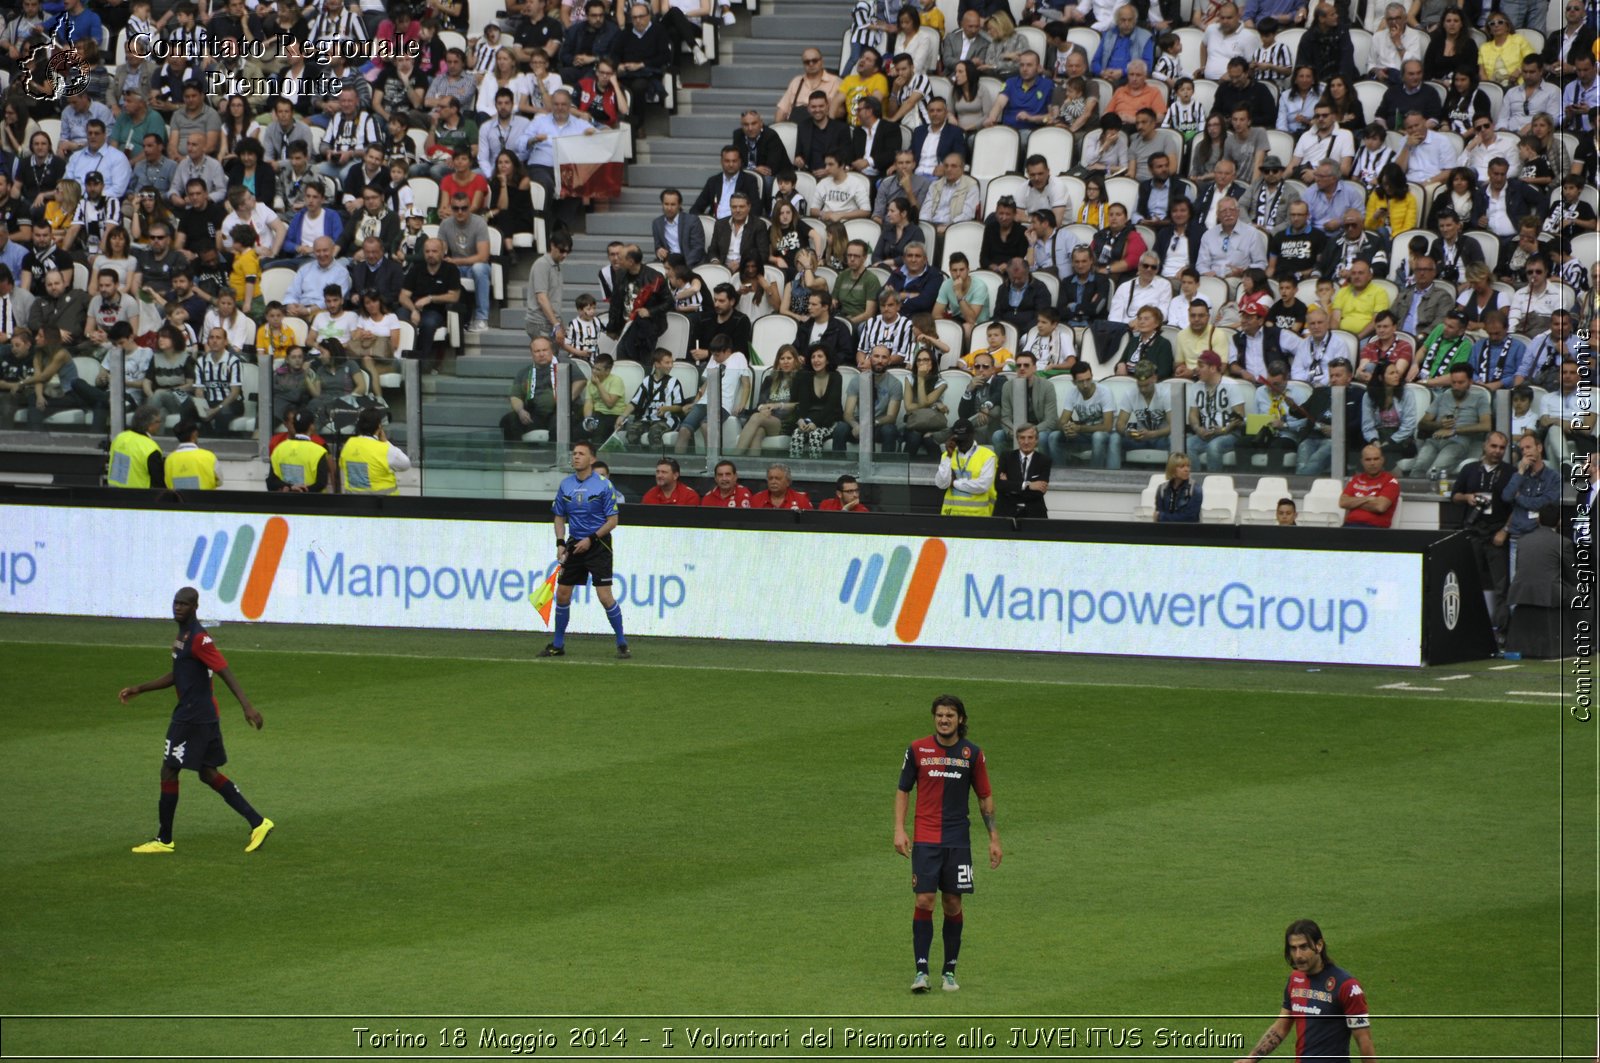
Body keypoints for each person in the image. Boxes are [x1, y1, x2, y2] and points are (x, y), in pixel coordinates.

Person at [118, 586, 274, 855]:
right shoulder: (183, 636)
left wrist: (247, 706)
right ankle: (258, 822)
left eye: (184, 604)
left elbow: (224, 669)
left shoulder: (200, 639)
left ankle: (164, 839)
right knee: (206, 772)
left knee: (169, 770)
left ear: (195, 607)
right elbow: (177, 674)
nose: (178, 607)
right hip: (201, 715)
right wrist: (140, 688)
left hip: (192, 716)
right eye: (175, 603)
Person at [894, 694, 1001, 994]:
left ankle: (949, 972)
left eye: (950, 716)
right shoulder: (917, 749)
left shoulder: (972, 754)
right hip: (926, 839)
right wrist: (899, 829)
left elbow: (984, 797)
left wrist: (994, 838)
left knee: (952, 902)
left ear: (961, 719)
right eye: (940, 715)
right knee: (924, 900)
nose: (944, 720)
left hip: (957, 841)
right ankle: (921, 971)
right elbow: (903, 790)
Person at [1234, 919, 1374, 1063]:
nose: (1298, 955)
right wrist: (1251, 1059)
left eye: (1304, 947)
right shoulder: (1295, 979)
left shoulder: (1347, 986)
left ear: (1319, 945)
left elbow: (1364, 1040)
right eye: (1293, 948)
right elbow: (1281, 1027)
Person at [541, 440, 630, 659]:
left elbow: (613, 521)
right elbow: (559, 516)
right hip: (575, 544)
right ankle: (558, 644)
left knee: (604, 596)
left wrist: (591, 539)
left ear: (591, 459)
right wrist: (560, 542)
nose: (576, 457)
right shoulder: (566, 485)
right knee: (562, 594)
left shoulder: (603, 485)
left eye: (581, 454)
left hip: (598, 545)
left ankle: (622, 643)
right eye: (574, 454)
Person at [1503, 503, 1575, 658]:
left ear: (1538, 520)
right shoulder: (1564, 543)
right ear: (1559, 522)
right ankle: (1582, 640)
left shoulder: (1522, 541)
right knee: (1579, 592)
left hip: (1520, 591)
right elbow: (1572, 574)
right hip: (1549, 593)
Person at [340, 407, 412, 495]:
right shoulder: (384, 449)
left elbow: (342, 465)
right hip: (382, 505)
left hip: (354, 504)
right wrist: (385, 441)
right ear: (379, 426)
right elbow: (406, 464)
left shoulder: (349, 444)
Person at [935, 418, 997, 515]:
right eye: (958, 440)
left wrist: (954, 483)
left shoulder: (987, 455)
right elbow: (941, 484)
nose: (961, 443)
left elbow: (982, 485)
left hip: (977, 515)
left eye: (965, 439)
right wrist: (948, 456)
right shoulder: (947, 455)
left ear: (973, 435)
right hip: (951, 514)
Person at [995, 423, 1050, 517]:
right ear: (1017, 439)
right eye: (1022, 438)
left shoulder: (1044, 461)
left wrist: (1010, 486)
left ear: (1036, 440)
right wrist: (1027, 485)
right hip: (1006, 512)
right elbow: (999, 485)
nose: (1026, 442)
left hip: (1034, 514)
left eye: (1030, 437)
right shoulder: (1006, 457)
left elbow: (1038, 492)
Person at [1340, 443, 1400, 527]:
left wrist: (1354, 503)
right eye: (1368, 459)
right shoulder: (1356, 479)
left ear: (1382, 460)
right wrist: (1368, 498)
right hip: (1349, 526)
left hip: (1374, 530)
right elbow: (1343, 502)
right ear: (1362, 462)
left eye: (1376, 459)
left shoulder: (1390, 481)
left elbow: (1380, 507)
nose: (1372, 463)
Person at [107, 402, 165, 488]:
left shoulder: (119, 438)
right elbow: (158, 482)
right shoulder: (151, 449)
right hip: (139, 496)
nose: (160, 424)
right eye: (158, 421)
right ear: (150, 425)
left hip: (114, 493)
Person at [164, 419, 220, 490]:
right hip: (205, 499)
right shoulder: (209, 456)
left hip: (180, 499)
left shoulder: (169, 459)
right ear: (195, 434)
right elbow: (219, 481)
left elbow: (168, 483)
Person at [1153, 451, 1201, 521]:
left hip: (1188, 530)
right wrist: (1161, 516)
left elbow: (1190, 518)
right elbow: (1159, 517)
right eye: (1182, 467)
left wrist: (1163, 516)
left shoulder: (1195, 489)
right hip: (1166, 530)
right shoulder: (1162, 489)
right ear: (1172, 468)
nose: (1187, 470)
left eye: (1188, 466)